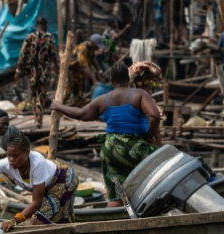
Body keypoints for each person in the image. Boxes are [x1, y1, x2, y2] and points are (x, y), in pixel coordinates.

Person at [51, 62, 162, 208]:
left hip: (111, 148)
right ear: (128, 79)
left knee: (117, 195)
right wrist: (150, 135)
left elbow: (80, 114)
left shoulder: (103, 99)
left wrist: (58, 106)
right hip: (136, 147)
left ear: (111, 81)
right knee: (160, 170)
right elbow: (154, 116)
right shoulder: (140, 94)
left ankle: (111, 220)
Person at [15, 17, 58, 128]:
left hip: (32, 71)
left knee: (34, 95)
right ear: (46, 25)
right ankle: (39, 119)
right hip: (44, 72)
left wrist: (19, 70)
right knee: (42, 95)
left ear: (36, 25)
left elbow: (22, 55)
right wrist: (57, 68)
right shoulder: (50, 38)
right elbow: (54, 56)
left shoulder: (29, 37)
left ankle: (37, 119)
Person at [66, 37, 103, 108]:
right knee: (67, 92)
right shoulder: (82, 49)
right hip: (70, 71)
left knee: (80, 92)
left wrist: (99, 70)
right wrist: (94, 80)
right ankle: (58, 109)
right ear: (93, 43)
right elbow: (85, 67)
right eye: (97, 46)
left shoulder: (91, 48)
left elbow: (92, 59)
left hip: (79, 71)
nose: (97, 48)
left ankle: (79, 110)